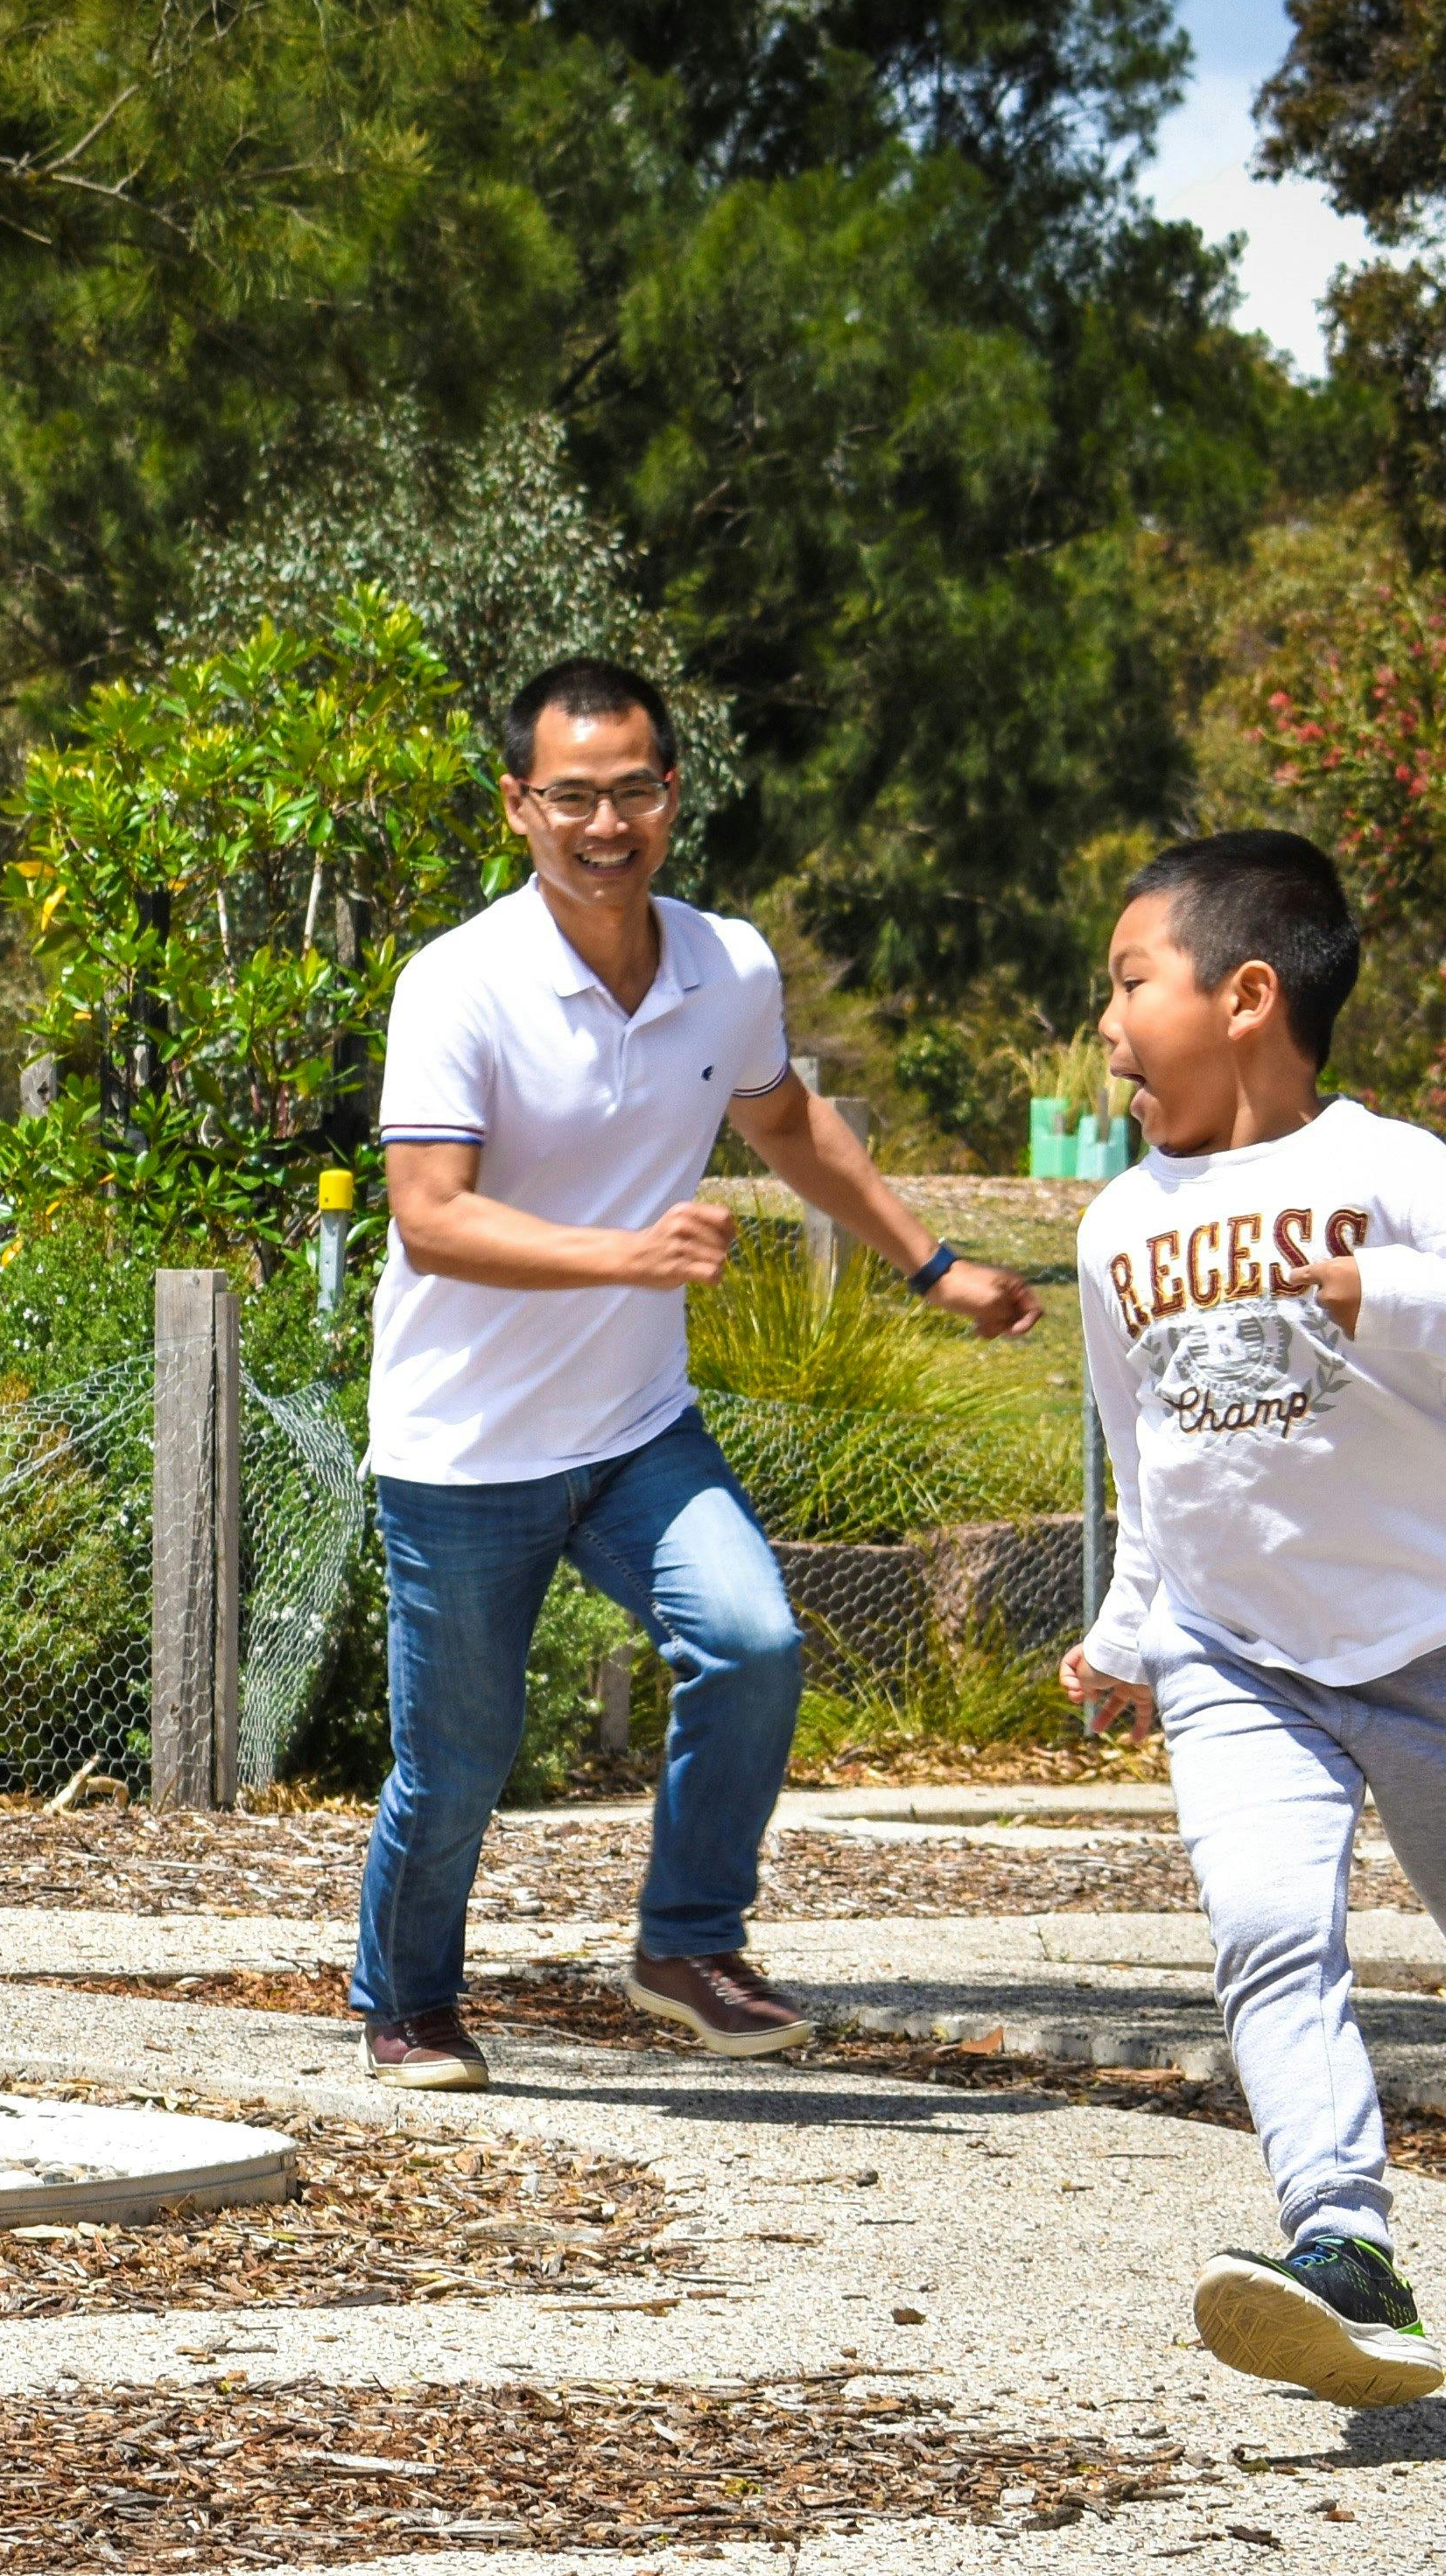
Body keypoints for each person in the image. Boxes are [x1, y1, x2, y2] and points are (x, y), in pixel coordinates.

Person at [1061, 829, 1446, 2406]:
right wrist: (1131, 1632)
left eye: (1133, 982)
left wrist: (1383, 1292)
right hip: (1227, 1651)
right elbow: (1154, 1469)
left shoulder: (1389, 1169)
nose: (1111, 1025)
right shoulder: (1115, 1226)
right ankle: (1346, 2251)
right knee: (1271, 1938)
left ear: (1248, 994)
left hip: (1437, 1643)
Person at [357, 658, 1038, 2088]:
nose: (607, 826)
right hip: (465, 1449)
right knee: (461, 1763)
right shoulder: (458, 984)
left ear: (673, 794)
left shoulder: (728, 965)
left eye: (635, 793)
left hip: (632, 1428)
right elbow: (430, 1213)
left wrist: (933, 1266)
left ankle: (687, 1941)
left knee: (754, 1640)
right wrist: (628, 1257)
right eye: (573, 799)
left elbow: (789, 1125)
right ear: (517, 806)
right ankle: (407, 1999)